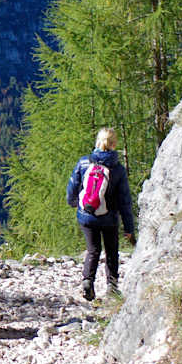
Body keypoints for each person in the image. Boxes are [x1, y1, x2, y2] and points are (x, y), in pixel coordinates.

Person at [67, 127, 135, 300]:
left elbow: (73, 186)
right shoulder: (118, 169)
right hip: (109, 218)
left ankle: (87, 282)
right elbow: (124, 202)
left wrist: (75, 203)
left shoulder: (83, 162)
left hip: (86, 216)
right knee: (111, 251)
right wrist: (129, 228)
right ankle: (112, 287)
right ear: (114, 144)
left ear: (98, 141)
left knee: (93, 250)